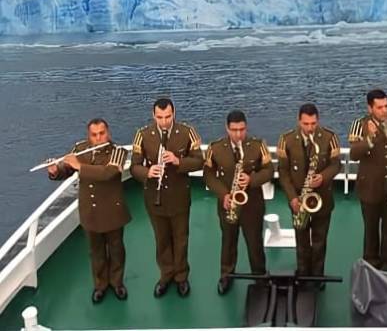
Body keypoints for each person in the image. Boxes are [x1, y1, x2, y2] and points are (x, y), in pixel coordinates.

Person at [47, 118, 130, 303]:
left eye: (102, 133)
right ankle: (100, 285)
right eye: (94, 134)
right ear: (89, 135)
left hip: (112, 212)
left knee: (116, 250)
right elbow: (66, 169)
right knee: (96, 251)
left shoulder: (118, 152)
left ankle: (117, 283)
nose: (99, 138)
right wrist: (55, 170)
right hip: (89, 211)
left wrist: (79, 166)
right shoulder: (79, 149)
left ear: (108, 133)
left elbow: (109, 173)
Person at [131, 97, 204, 297]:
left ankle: (181, 276)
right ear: (153, 115)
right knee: (162, 239)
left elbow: (199, 161)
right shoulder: (142, 135)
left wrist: (177, 161)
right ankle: (166, 275)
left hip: (179, 196)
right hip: (154, 197)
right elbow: (134, 166)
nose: (164, 122)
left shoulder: (188, 132)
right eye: (160, 117)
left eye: (168, 117)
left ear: (174, 113)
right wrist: (148, 172)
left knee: (180, 239)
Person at [204, 110, 273, 295]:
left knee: (255, 244)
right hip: (227, 204)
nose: (238, 134)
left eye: (242, 129)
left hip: (252, 206)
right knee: (228, 242)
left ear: (246, 127)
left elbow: (269, 171)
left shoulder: (258, 145)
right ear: (227, 128)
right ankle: (226, 275)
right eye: (234, 130)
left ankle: (260, 277)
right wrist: (223, 195)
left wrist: (251, 179)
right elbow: (208, 175)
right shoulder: (215, 148)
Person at [348, 89, 387, 271]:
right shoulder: (359, 125)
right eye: (379, 107)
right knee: (371, 230)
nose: (384, 110)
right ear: (370, 108)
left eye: (386, 106)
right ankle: (370, 266)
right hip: (370, 187)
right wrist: (370, 138)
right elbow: (353, 154)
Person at [277, 104, 341, 281]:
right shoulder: (286, 140)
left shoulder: (330, 137)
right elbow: (283, 172)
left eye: (313, 123)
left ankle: (318, 276)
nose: (310, 128)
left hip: (322, 198)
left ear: (318, 120)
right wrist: (292, 199)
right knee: (301, 240)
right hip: (298, 199)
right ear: (299, 121)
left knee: (320, 241)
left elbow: (336, 165)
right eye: (306, 124)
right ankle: (303, 273)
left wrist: (323, 177)